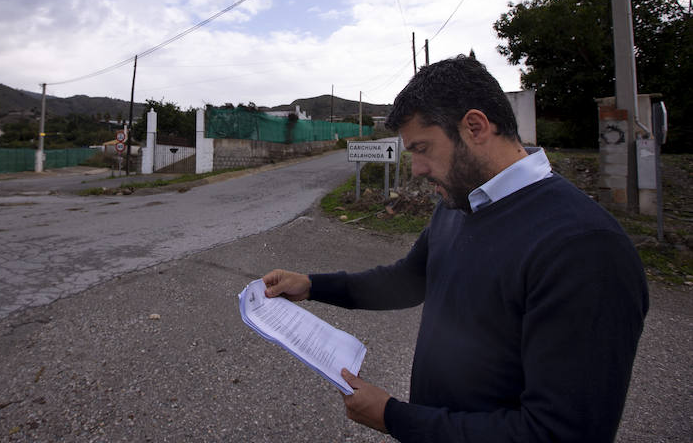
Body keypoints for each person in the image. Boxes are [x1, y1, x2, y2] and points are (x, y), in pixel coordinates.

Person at [263, 55, 648, 442]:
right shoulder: (461, 203)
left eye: (422, 148)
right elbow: (409, 280)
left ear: (475, 127)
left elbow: (559, 433)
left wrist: (393, 417)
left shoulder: (586, 250)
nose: (416, 168)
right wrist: (312, 285)